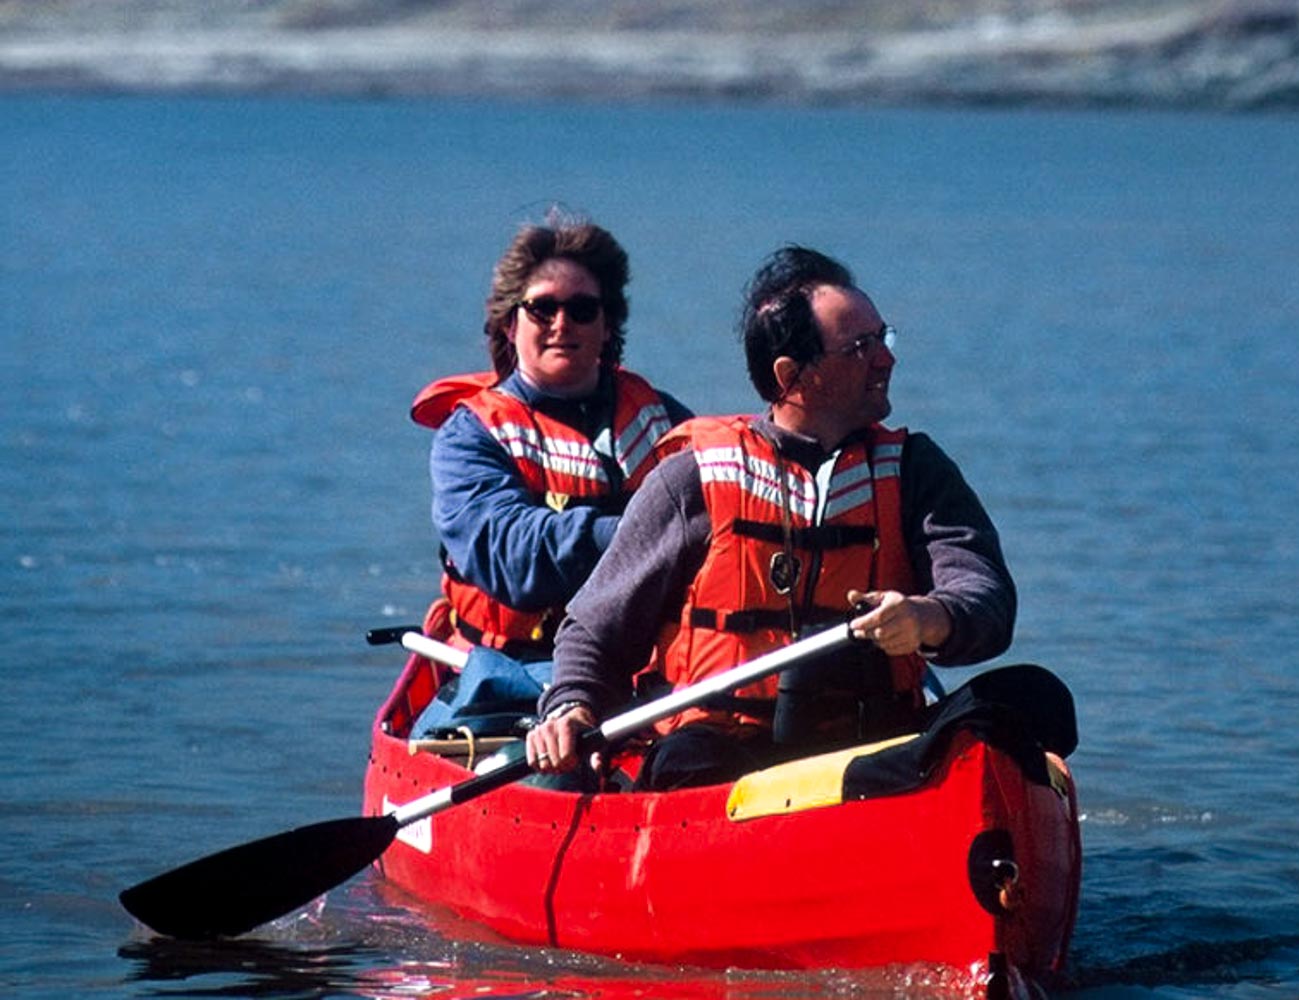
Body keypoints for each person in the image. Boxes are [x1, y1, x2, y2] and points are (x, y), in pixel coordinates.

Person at [525, 245, 1016, 789]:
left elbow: (985, 595)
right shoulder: (691, 480)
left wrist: (930, 617)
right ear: (791, 375)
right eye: (860, 347)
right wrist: (571, 707)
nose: (886, 359)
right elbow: (596, 629)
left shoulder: (917, 471)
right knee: (690, 766)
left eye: (884, 339)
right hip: (723, 755)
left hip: (867, 745)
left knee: (1021, 704)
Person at [408, 213, 692, 739]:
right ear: (510, 325)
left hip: (651, 663)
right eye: (542, 308)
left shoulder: (662, 418)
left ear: (608, 326)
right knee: (562, 772)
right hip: (516, 671)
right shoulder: (470, 437)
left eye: (583, 309)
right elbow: (512, 559)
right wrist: (647, 532)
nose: (563, 324)